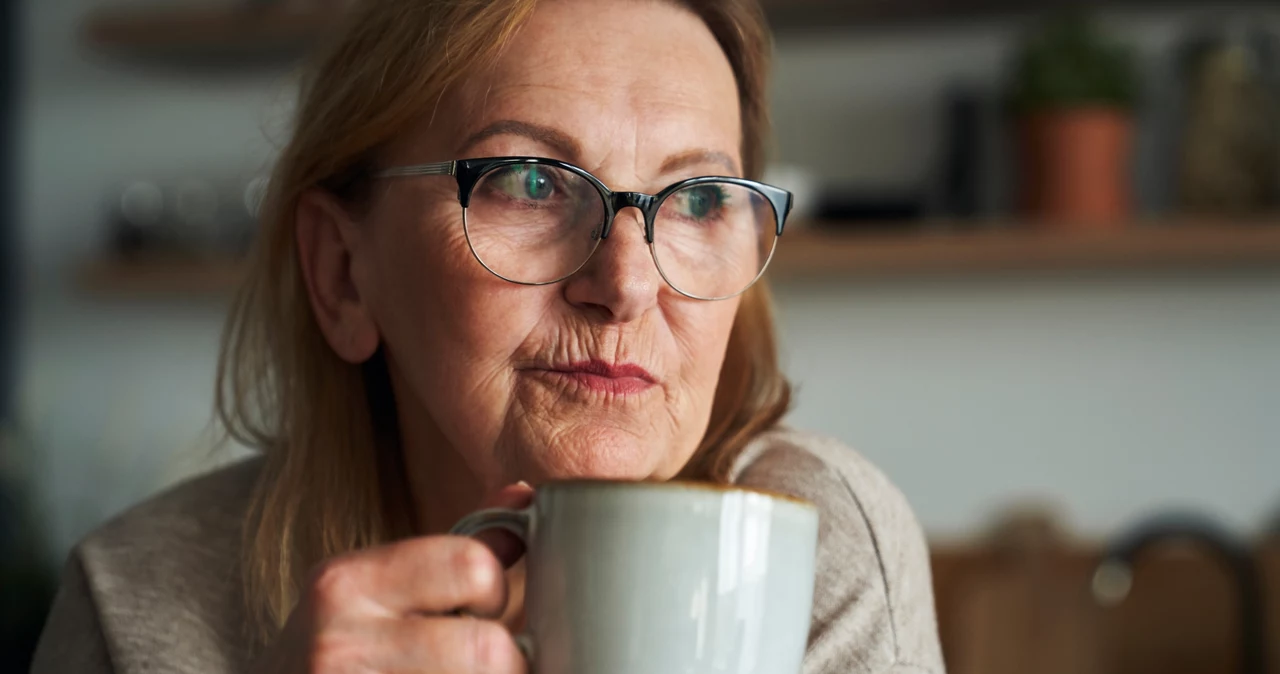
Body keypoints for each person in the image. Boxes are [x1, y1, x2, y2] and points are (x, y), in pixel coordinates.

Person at [32, 0, 944, 672]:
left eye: (699, 199)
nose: (625, 284)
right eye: (532, 184)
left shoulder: (815, 548)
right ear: (344, 274)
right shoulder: (138, 605)